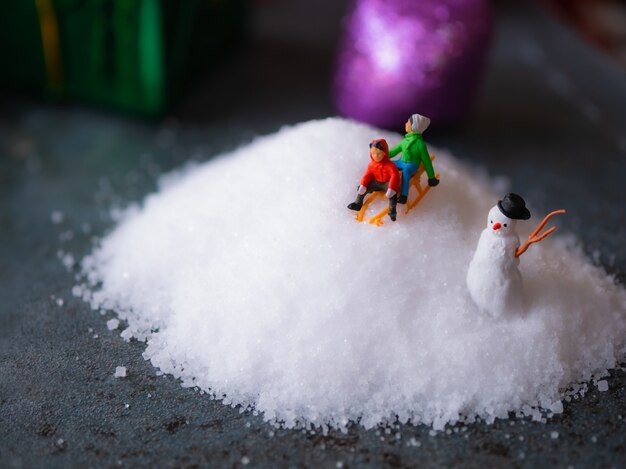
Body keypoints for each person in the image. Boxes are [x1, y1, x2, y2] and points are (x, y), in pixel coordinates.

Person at [389, 113, 439, 204]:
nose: (405, 123)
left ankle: (403, 196)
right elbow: (393, 151)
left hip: (412, 165)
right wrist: (382, 155)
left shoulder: (420, 144)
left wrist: (431, 177)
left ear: (413, 126)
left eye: (408, 122)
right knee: (388, 164)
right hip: (401, 162)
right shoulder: (404, 141)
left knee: (406, 172)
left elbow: (427, 161)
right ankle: (383, 184)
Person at [347, 139, 400, 221]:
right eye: (373, 153)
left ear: (384, 153)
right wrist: (363, 184)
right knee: (362, 189)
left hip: (387, 183)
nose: (376, 156)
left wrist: (391, 188)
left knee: (393, 195)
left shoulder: (390, 166)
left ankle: (392, 210)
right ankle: (358, 203)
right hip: (376, 182)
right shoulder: (372, 164)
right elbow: (367, 175)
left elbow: (394, 176)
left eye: (379, 154)